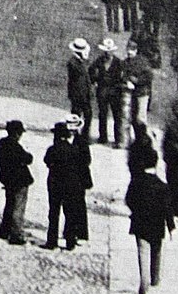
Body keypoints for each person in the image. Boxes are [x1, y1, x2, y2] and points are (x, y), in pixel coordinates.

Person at [125, 144, 175, 294]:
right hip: (157, 224)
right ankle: (155, 277)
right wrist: (171, 227)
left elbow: (129, 200)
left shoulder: (136, 183)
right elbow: (168, 209)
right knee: (156, 251)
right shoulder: (163, 186)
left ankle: (144, 282)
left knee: (143, 252)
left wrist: (134, 211)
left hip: (140, 223)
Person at [42, 121, 81, 251]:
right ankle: (70, 241)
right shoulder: (73, 149)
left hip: (55, 183)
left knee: (53, 213)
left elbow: (47, 161)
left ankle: (52, 241)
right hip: (70, 184)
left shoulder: (52, 149)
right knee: (69, 213)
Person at [0, 119, 32, 245]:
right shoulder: (15, 145)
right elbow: (27, 158)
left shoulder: (2, 143)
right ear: (16, 133)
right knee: (18, 207)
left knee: (9, 205)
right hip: (20, 180)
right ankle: (16, 234)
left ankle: (4, 230)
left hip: (8, 179)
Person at [89, 37, 125, 147]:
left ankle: (117, 139)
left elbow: (123, 76)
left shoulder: (118, 62)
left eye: (110, 50)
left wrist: (120, 85)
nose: (108, 53)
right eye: (106, 51)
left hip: (115, 91)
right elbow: (91, 70)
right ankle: (102, 137)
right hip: (102, 90)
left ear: (113, 51)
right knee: (102, 114)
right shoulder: (99, 60)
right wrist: (94, 81)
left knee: (117, 115)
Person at [64, 114, 93, 246]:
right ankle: (69, 231)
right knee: (69, 206)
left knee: (79, 205)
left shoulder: (81, 141)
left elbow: (87, 160)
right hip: (68, 178)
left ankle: (81, 233)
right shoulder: (62, 139)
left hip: (79, 178)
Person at [121, 39, 153, 138]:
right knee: (131, 117)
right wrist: (127, 81)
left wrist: (136, 81)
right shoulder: (125, 62)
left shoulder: (143, 62)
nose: (129, 52)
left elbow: (149, 77)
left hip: (142, 93)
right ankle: (134, 139)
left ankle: (143, 139)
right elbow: (123, 75)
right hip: (131, 93)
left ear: (136, 51)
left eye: (132, 50)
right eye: (128, 50)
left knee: (141, 118)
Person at [66, 38, 93, 135]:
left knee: (88, 114)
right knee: (76, 114)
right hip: (77, 93)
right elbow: (80, 72)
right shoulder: (73, 62)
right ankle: (75, 133)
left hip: (84, 92)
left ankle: (84, 134)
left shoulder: (81, 61)